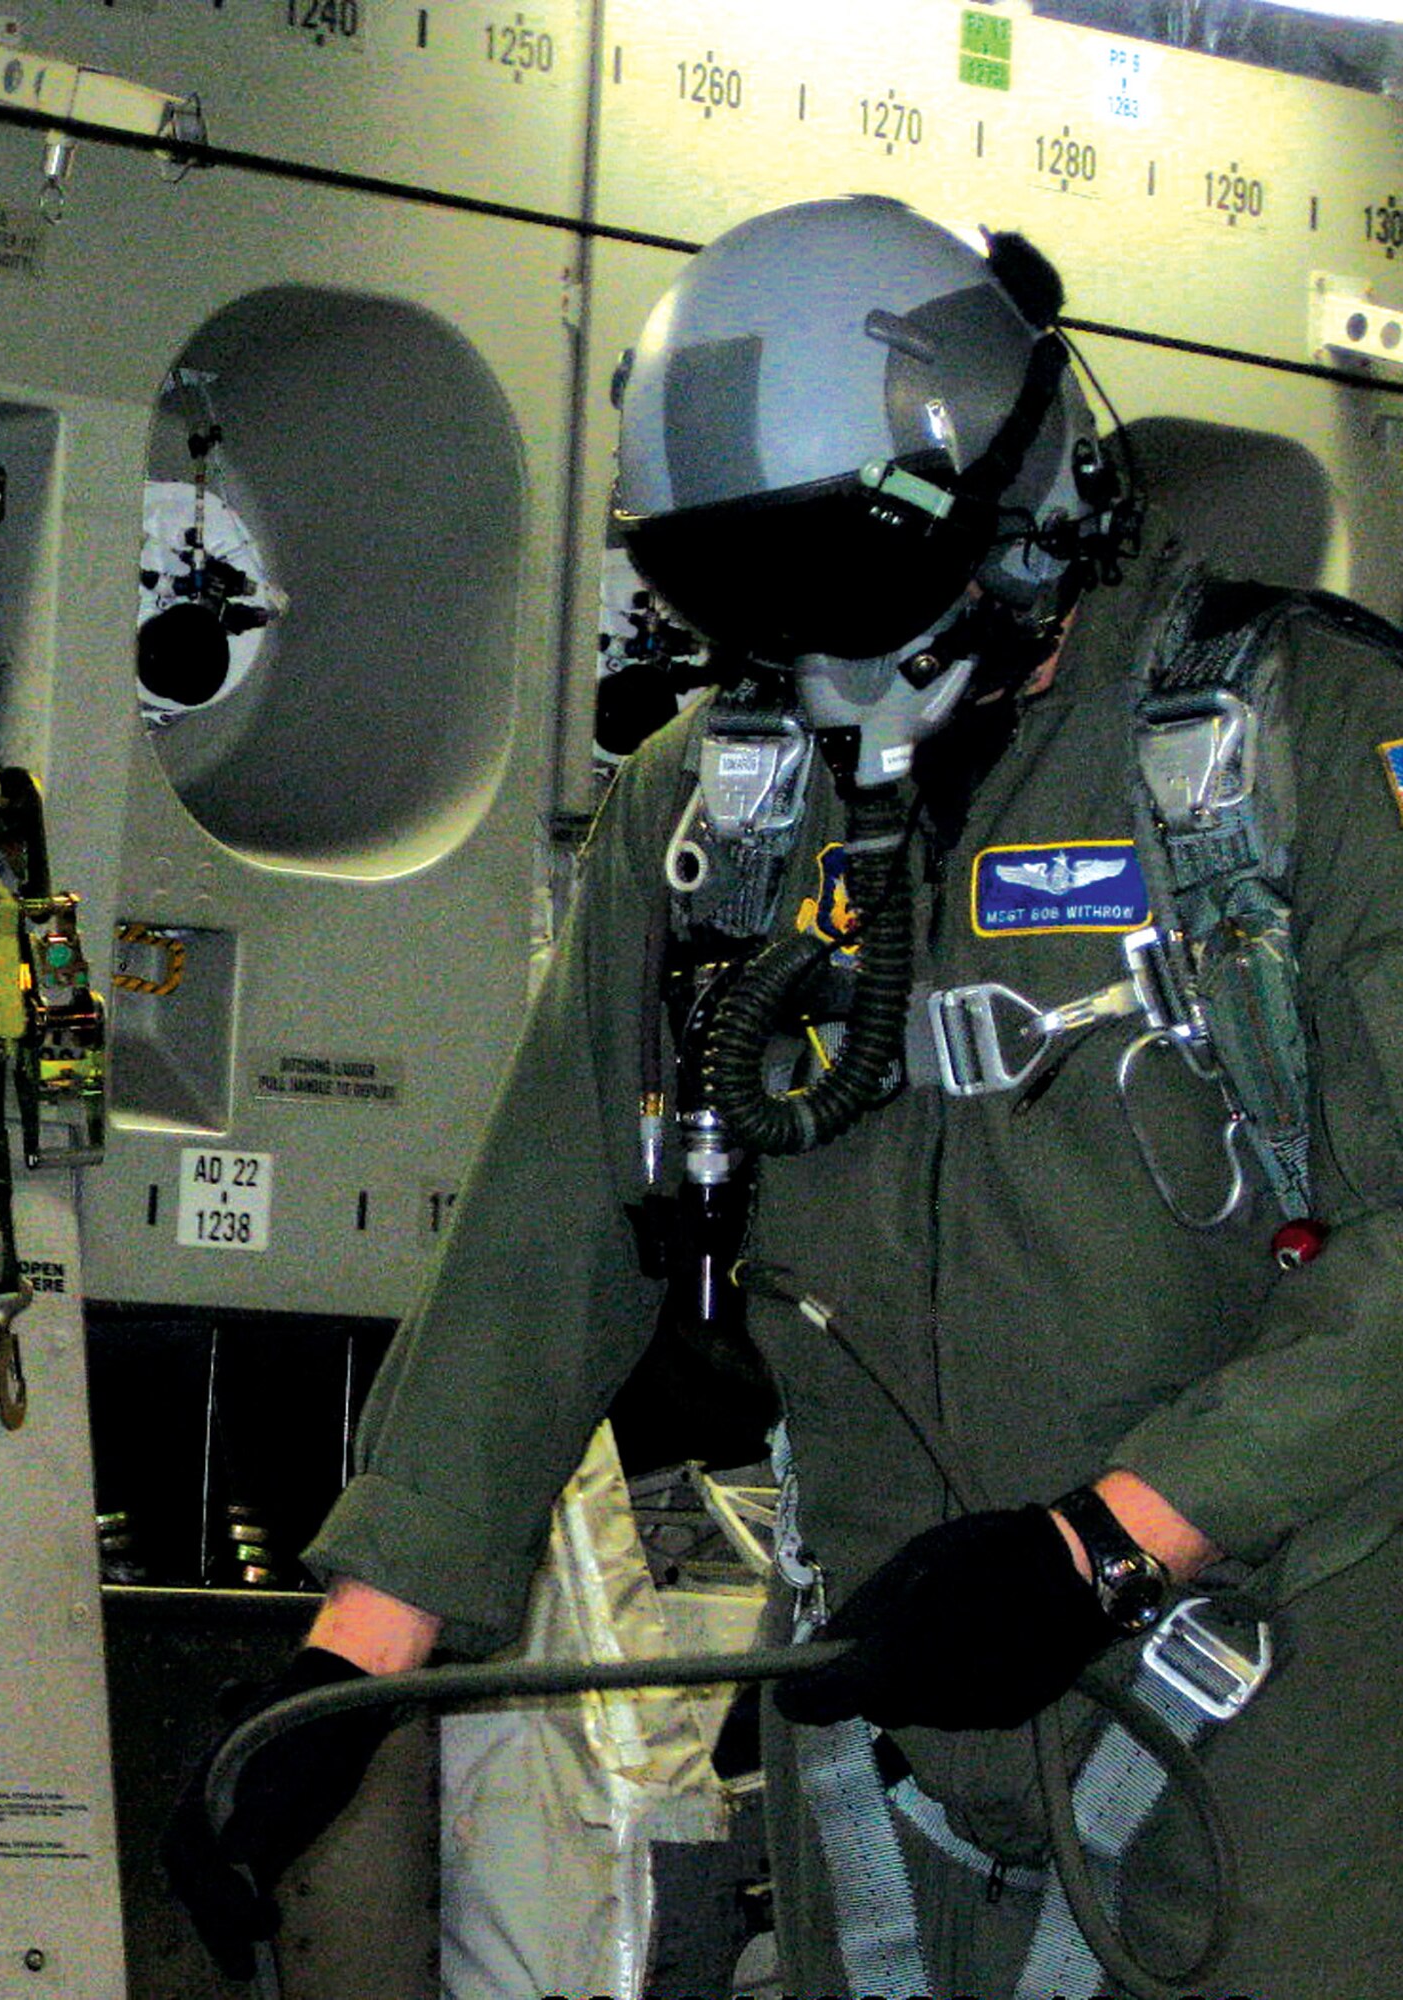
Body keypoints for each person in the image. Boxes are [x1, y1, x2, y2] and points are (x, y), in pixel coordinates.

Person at [167, 195, 1403, 1997]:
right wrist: (355, 1665)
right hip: (886, 1733)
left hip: (1274, 1714)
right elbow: (548, 1228)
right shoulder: (717, 811)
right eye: (724, 597)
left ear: (1013, 491)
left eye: (829, 584)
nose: (800, 659)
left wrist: (1110, 1542)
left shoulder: (1293, 752)